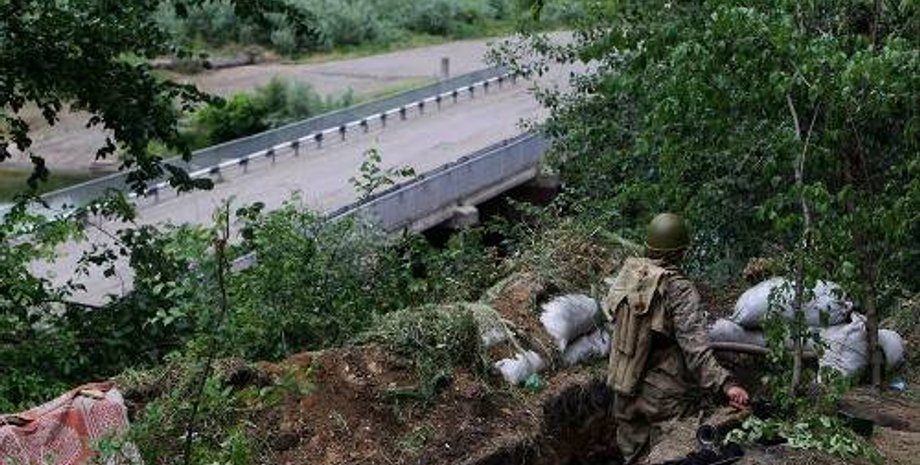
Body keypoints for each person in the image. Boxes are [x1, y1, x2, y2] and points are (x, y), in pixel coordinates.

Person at [604, 213, 749, 464]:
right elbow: (696, 349)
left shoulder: (628, 277)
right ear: (681, 252)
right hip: (663, 397)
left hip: (623, 388)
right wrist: (727, 385)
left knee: (634, 457)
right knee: (671, 455)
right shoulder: (679, 289)